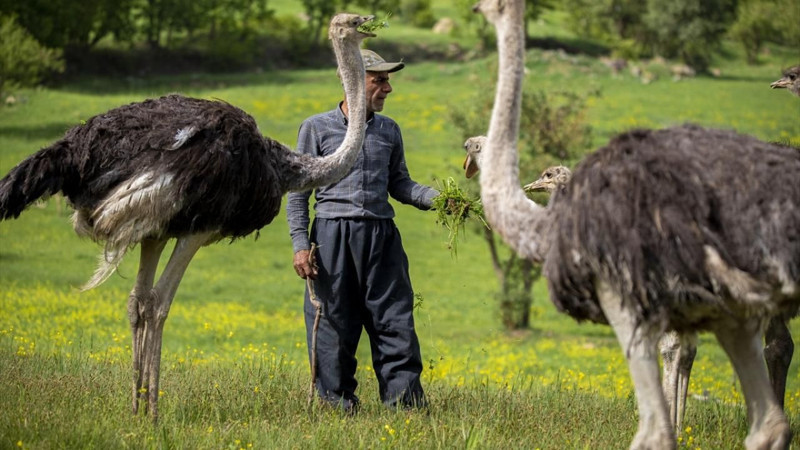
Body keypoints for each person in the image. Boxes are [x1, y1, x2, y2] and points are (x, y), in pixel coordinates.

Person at [286, 49, 438, 413]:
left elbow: (400, 184)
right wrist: (300, 244)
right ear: (353, 81)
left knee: (395, 320)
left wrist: (439, 199)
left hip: (382, 238)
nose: (388, 88)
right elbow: (298, 194)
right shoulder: (316, 128)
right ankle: (336, 406)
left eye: (388, 80)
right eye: (379, 80)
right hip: (332, 238)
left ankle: (405, 407)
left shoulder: (389, 130)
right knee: (333, 324)